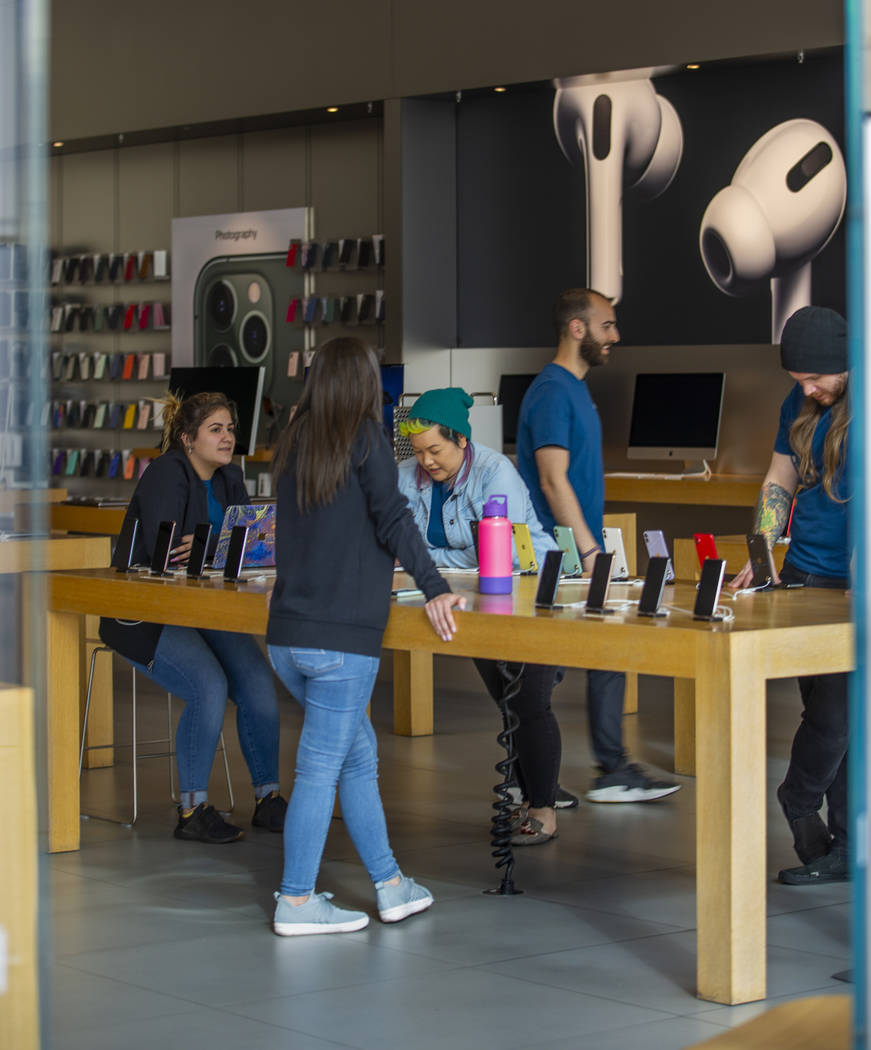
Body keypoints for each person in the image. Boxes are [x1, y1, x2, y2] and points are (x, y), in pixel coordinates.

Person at [267, 338, 466, 936]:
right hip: (340, 644)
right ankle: (296, 901)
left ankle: (391, 885)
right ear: (363, 383)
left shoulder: (296, 441)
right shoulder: (365, 440)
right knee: (320, 768)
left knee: (358, 757)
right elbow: (393, 519)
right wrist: (433, 586)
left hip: (287, 640)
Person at [99, 391, 286, 843]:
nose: (227, 438)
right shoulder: (166, 473)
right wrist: (219, 544)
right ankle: (192, 809)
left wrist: (237, 544)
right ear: (187, 439)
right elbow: (171, 550)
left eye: (231, 429)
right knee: (209, 685)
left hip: (203, 608)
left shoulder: (230, 477)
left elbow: (227, 548)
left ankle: (268, 797)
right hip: (144, 614)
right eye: (215, 429)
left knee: (259, 682)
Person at [516, 287, 679, 803]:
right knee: (547, 670)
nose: (616, 336)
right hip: (559, 551)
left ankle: (592, 770)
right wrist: (588, 553)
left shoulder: (574, 391)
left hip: (573, 546)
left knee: (600, 651)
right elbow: (552, 480)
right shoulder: (551, 392)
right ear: (577, 329)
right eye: (606, 326)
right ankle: (544, 781)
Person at [397, 387, 570, 847]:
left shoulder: (496, 472)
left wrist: (429, 556)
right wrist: (440, 556)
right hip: (472, 600)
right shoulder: (406, 477)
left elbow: (501, 551)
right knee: (507, 701)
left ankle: (543, 809)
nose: (427, 461)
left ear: (461, 441)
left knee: (529, 703)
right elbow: (397, 544)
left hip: (531, 593)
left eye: (435, 450)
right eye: (418, 452)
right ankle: (535, 783)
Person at [729, 306, 850, 885]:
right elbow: (779, 479)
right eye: (798, 378)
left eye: (816, 378)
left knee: (842, 718)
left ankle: (803, 807)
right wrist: (762, 550)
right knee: (832, 717)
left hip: (853, 584)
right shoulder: (798, 404)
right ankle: (837, 844)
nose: (807, 389)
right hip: (804, 573)